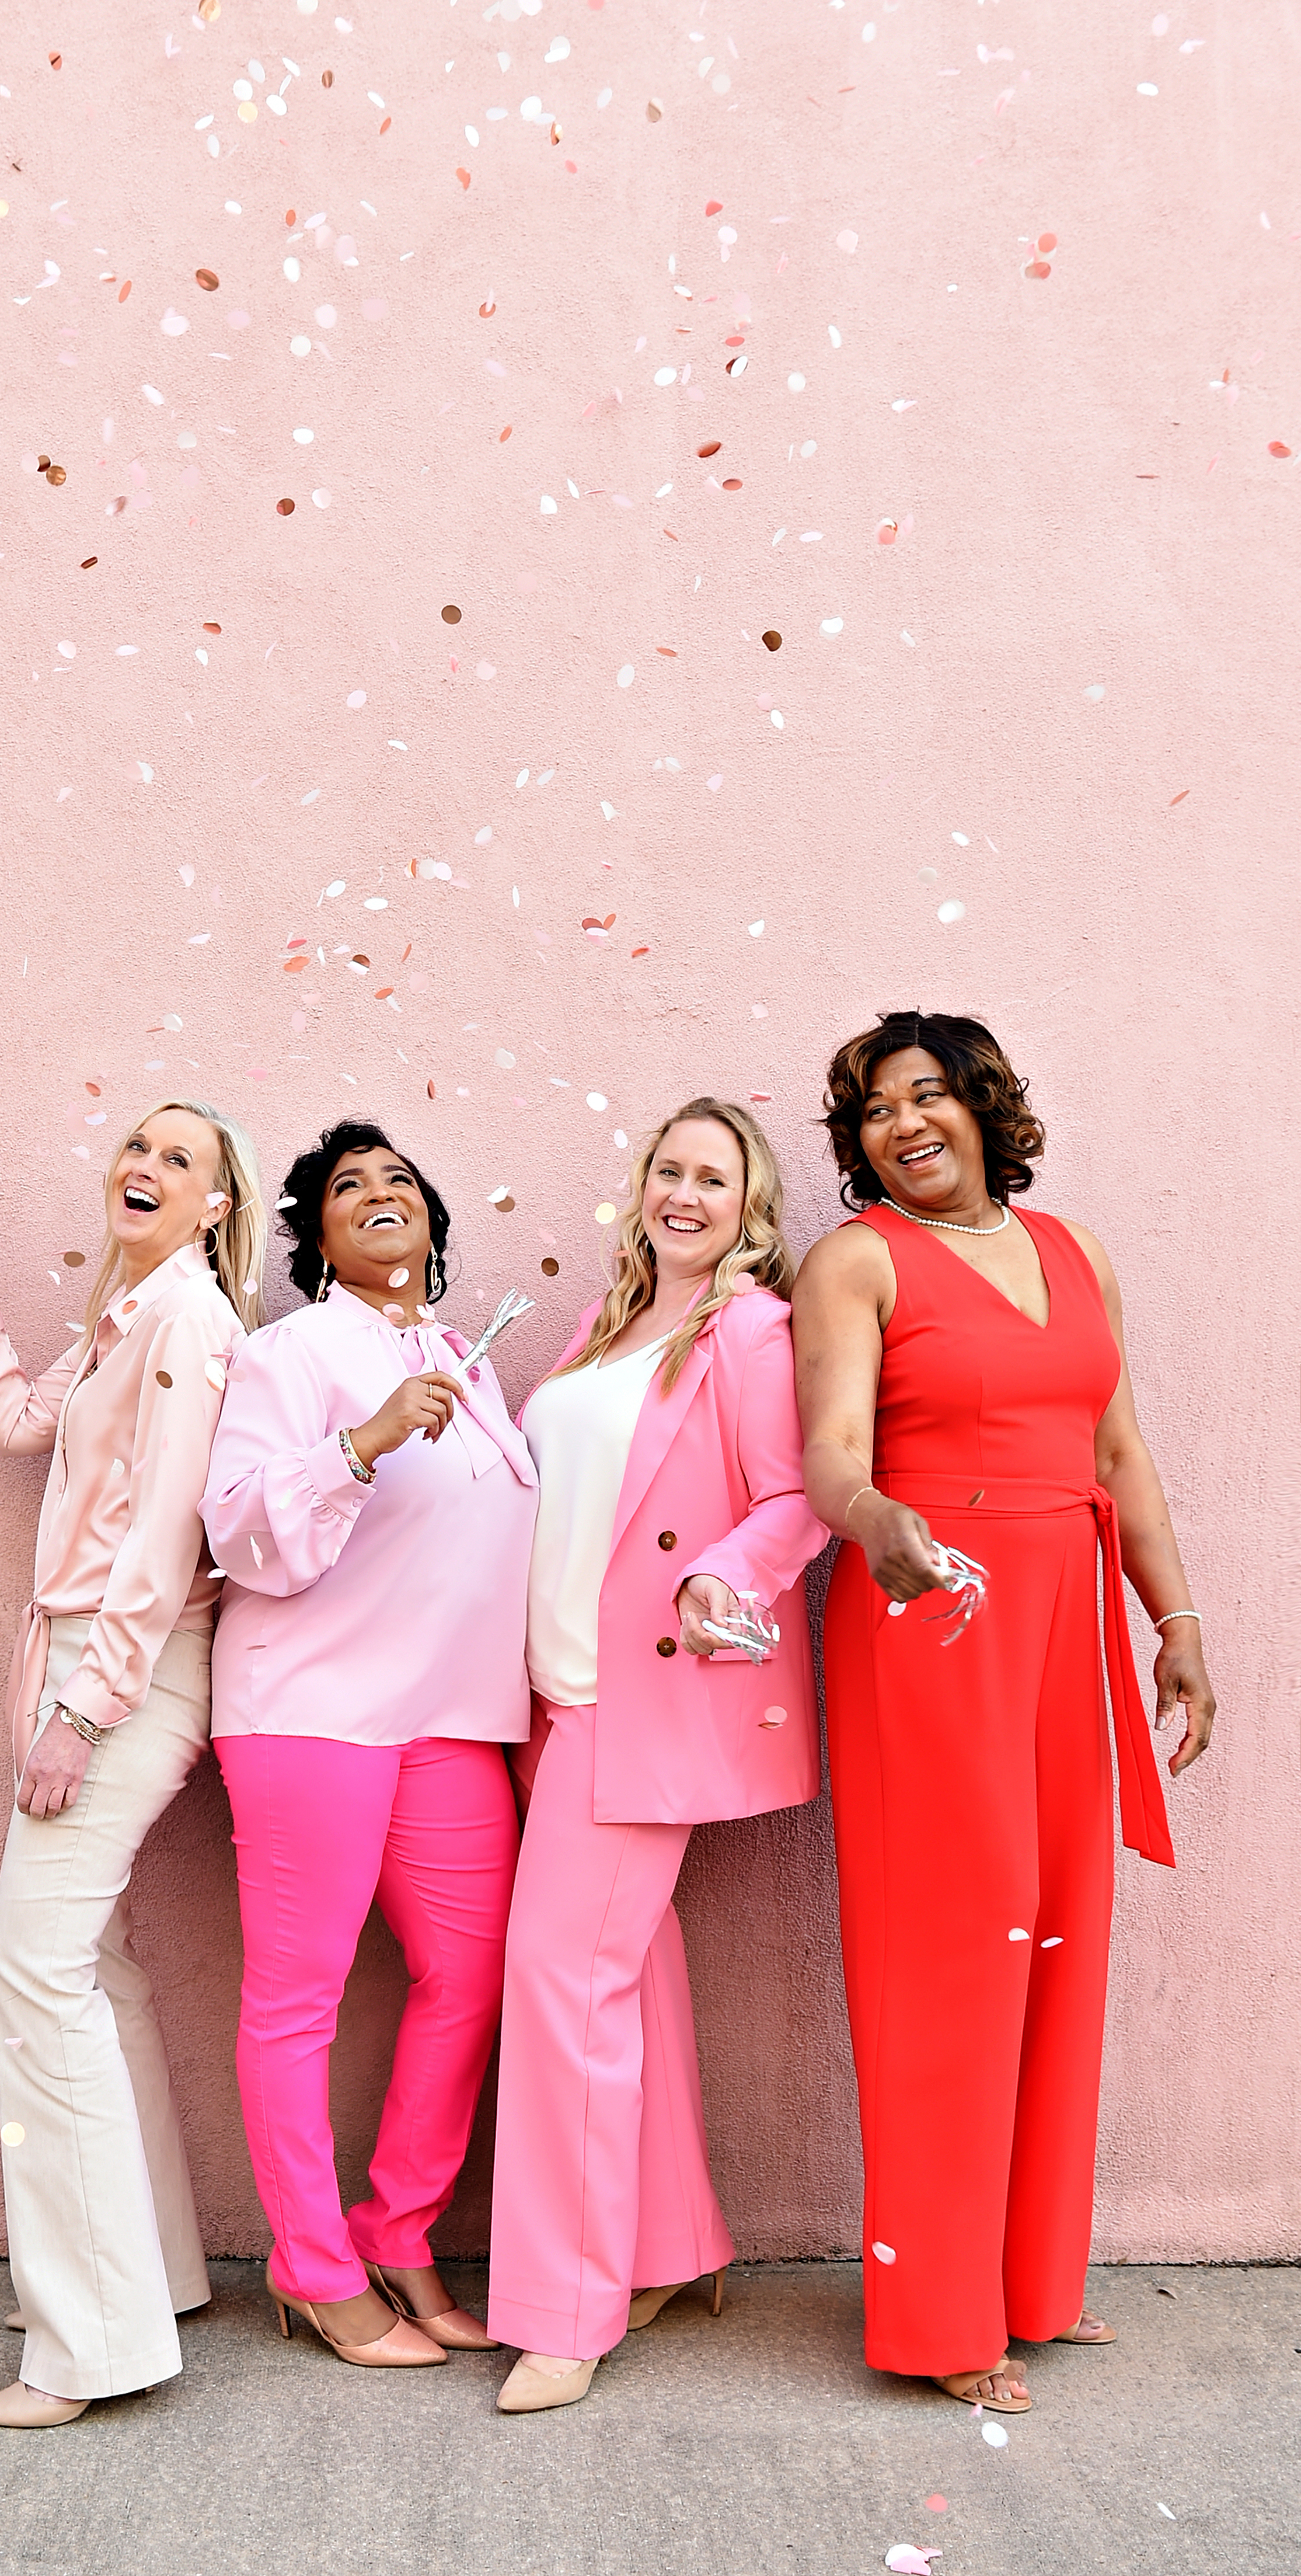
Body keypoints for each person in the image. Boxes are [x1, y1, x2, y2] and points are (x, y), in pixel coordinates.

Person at [792, 1011, 1217, 2415]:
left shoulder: (1079, 1252)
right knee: (948, 1946)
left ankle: (1032, 2285)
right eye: (873, 1111)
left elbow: (1116, 1448)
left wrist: (1177, 1623)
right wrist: (883, 1527)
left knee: (1058, 1928)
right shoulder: (857, 1263)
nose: (904, 1126)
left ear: (985, 1106)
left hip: (1065, 1617)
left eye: (929, 1097)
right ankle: (938, 2315)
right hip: (934, 1608)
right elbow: (832, 1463)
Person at [485, 1097, 828, 2414]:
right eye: (669, 1171)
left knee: (561, 1980)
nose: (687, 1194)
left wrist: (725, 1580)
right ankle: (675, 2250)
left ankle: (567, 2316)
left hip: (644, 1703)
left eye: (714, 1178)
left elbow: (796, 1495)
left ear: (750, 1208)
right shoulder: (608, 1322)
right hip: (556, 1700)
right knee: (630, 1974)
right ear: (640, 1188)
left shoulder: (750, 1330)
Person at [0, 1099, 265, 2428]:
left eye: (180, 1158)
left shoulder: (188, 1322)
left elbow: (168, 1540)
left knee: (36, 1970)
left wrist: (85, 1709)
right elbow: (21, 1422)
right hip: (78, 1663)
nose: (147, 1166)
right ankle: (151, 2279)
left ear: (218, 1206)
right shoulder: (129, 1315)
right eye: (138, 1147)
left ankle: (90, 2346)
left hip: (116, 1670)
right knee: (96, 1968)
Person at [201, 1120, 538, 2368]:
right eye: (350, 1188)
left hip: (448, 1718)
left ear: (434, 1230)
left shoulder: (467, 1361)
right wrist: (369, 1438)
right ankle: (312, 2268)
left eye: (403, 1180)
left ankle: (398, 2230)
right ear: (318, 1237)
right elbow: (240, 1528)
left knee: (473, 1971)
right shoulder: (291, 1354)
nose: (381, 1195)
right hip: (311, 1712)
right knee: (298, 2003)